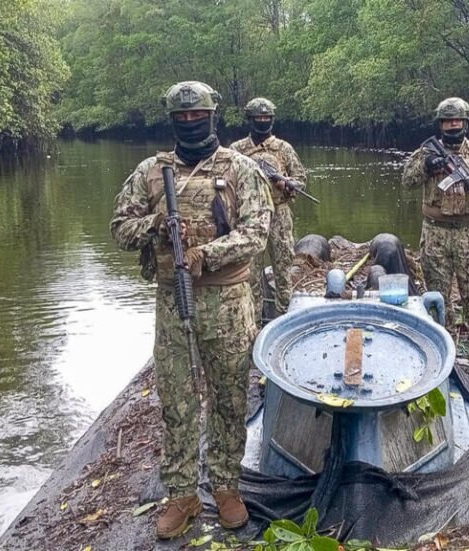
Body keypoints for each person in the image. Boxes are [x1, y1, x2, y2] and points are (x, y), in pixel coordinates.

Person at [110, 81, 273, 538]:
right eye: (181, 117)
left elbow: (257, 232)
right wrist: (156, 224)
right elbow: (119, 228)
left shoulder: (240, 169)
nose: (189, 122)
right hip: (171, 301)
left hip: (228, 303)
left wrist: (208, 254)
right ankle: (180, 495)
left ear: (212, 116)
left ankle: (226, 487)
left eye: (196, 115)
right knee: (177, 403)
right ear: (171, 121)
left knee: (228, 398)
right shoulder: (149, 172)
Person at [401, 97, 469, 369]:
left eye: (457, 120)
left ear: (466, 122)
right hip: (435, 232)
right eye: (448, 121)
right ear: (441, 124)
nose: (453, 125)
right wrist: (427, 166)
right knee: (437, 291)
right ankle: (440, 340)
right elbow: (407, 181)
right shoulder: (426, 152)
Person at [230, 97, 307, 320]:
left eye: (267, 117)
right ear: (250, 119)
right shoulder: (237, 150)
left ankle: (284, 318)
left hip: (279, 213)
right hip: (248, 216)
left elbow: (301, 180)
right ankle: (253, 322)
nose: (263, 121)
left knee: (283, 268)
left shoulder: (283, 148)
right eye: (258, 118)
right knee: (250, 272)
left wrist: (286, 183)